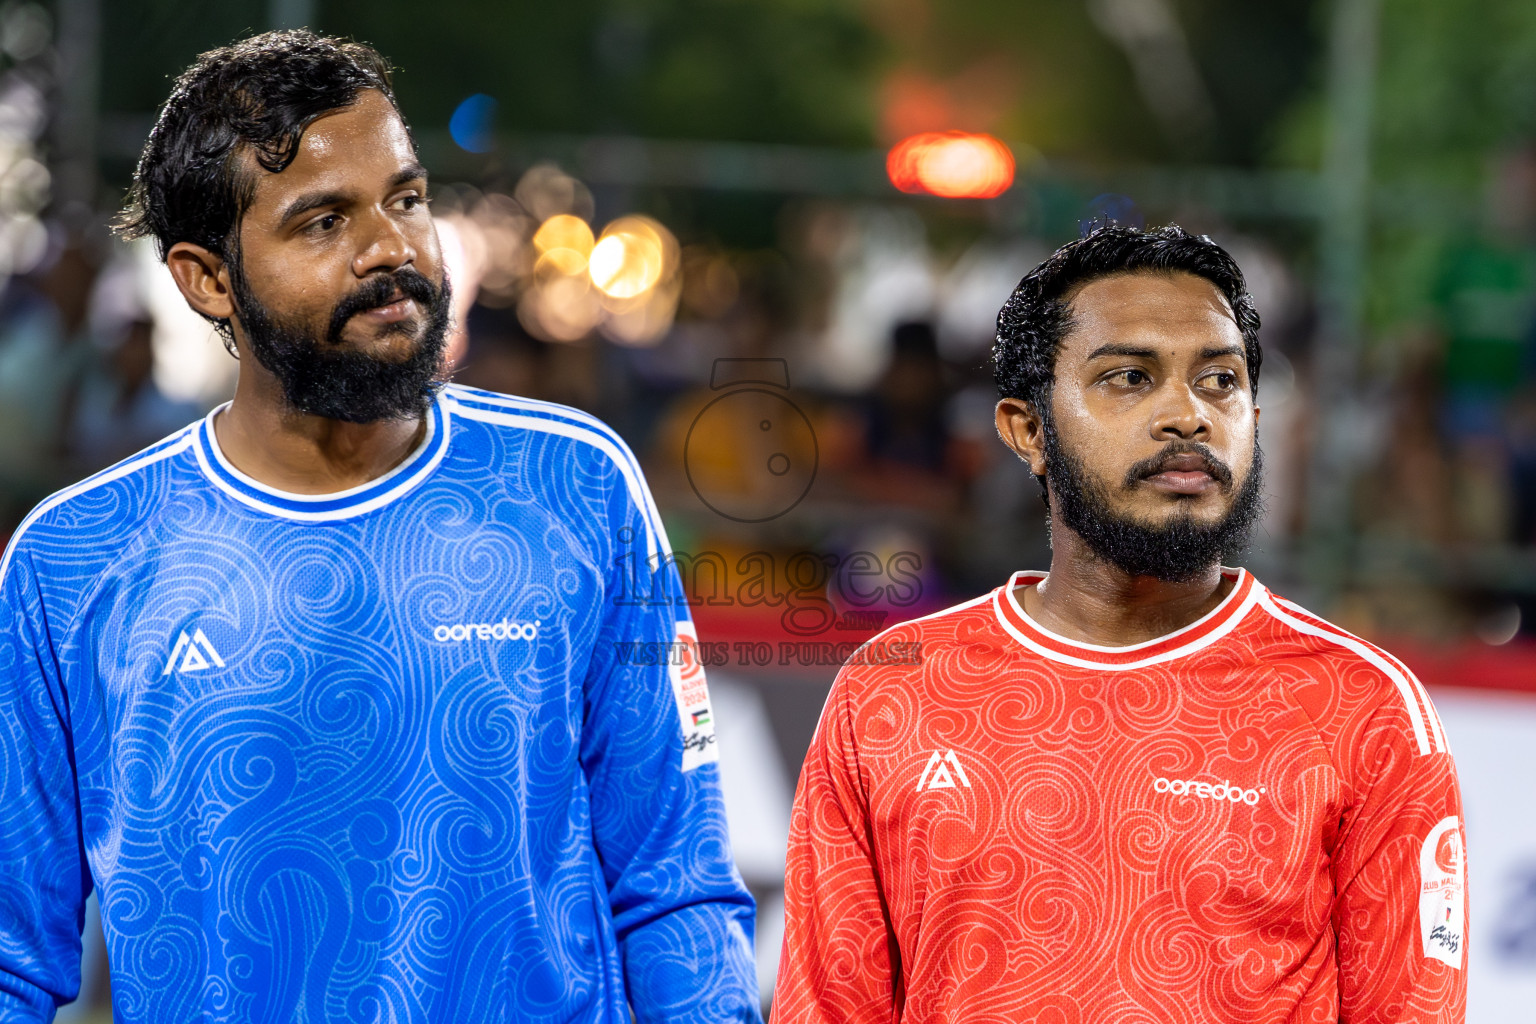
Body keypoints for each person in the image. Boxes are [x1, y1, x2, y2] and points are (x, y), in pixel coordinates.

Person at [0, 30, 759, 1023]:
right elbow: (14, 952)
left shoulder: (577, 486)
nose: (393, 248)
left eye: (405, 197)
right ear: (206, 278)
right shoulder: (74, 560)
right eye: (322, 221)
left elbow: (675, 884)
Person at [772, 225, 1465, 1023]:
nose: (1188, 415)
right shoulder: (890, 692)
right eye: (1130, 377)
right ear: (1026, 430)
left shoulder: (1365, 710)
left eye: (1221, 381)